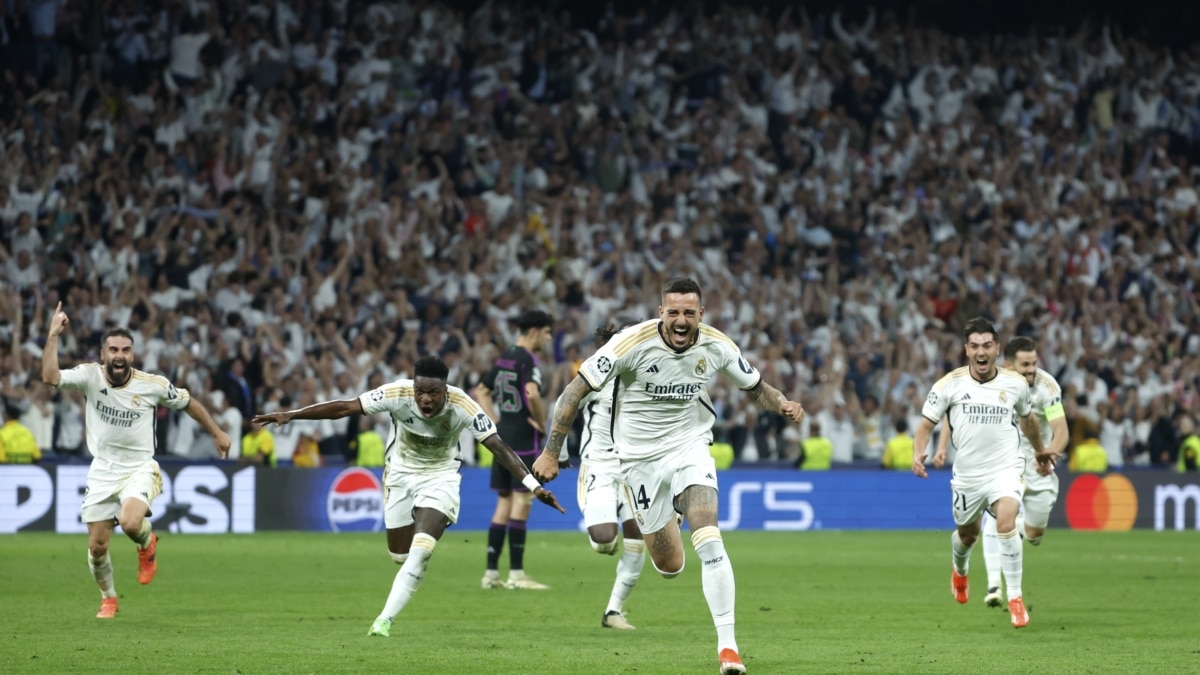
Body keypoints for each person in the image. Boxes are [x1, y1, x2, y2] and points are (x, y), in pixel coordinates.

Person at [532, 278, 805, 675]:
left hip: (690, 446)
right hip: (638, 463)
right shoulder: (630, 343)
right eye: (673, 312)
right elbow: (572, 393)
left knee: (708, 534)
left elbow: (756, 387)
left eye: (688, 313)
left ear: (700, 315)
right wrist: (551, 452)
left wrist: (782, 404)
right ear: (661, 312)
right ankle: (669, 514)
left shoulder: (717, 345)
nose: (681, 320)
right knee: (670, 565)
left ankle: (728, 648)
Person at [252, 355, 566, 638]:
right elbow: (345, 407)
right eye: (420, 392)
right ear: (413, 387)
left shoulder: (464, 406)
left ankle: (383, 621)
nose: (425, 399)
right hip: (400, 475)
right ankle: (423, 535)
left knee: (421, 552)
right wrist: (292, 415)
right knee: (400, 556)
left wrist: (533, 485)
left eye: (433, 393)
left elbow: (498, 446)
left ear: (446, 389)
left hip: (440, 477)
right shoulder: (396, 393)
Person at [41, 302, 232, 619]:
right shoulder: (90, 376)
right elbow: (50, 378)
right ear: (103, 354)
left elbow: (187, 402)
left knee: (130, 523)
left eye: (126, 350)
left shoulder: (152, 384)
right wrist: (52, 336)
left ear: (133, 354)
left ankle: (146, 541)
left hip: (140, 467)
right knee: (97, 547)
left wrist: (216, 431)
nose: (119, 355)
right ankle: (109, 598)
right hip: (102, 469)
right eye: (113, 349)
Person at [912, 318, 1053, 629]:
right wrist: (917, 453)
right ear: (966, 350)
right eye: (974, 345)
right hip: (968, 476)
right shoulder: (950, 384)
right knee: (968, 535)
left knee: (1006, 521)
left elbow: (1028, 419)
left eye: (987, 345)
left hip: (1006, 468)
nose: (981, 351)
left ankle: (1015, 597)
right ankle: (960, 571)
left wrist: (1040, 451)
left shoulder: (1015, 383)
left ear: (997, 348)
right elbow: (925, 426)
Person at [966, 336, 1069, 609]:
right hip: (1005, 462)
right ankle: (993, 586)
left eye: (1034, 363)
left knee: (1034, 535)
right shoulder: (990, 386)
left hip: (1038, 462)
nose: (1032, 369)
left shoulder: (1047, 387)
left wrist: (1050, 453)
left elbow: (1061, 429)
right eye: (1026, 365)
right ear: (1009, 365)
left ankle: (1012, 532)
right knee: (1001, 518)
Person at [474, 309, 555, 590]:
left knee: (503, 505)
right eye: (546, 333)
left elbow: (481, 390)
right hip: (522, 437)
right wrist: (542, 424)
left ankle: (491, 574)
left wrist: (493, 421)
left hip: (501, 436)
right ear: (533, 332)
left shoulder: (505, 356)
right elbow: (531, 393)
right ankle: (517, 575)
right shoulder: (528, 359)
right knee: (522, 502)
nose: (548, 339)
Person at [577, 324, 644, 631]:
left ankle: (613, 611)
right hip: (599, 465)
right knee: (604, 542)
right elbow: (563, 407)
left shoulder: (645, 376)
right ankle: (607, 533)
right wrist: (557, 452)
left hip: (635, 468)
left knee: (638, 539)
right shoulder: (594, 377)